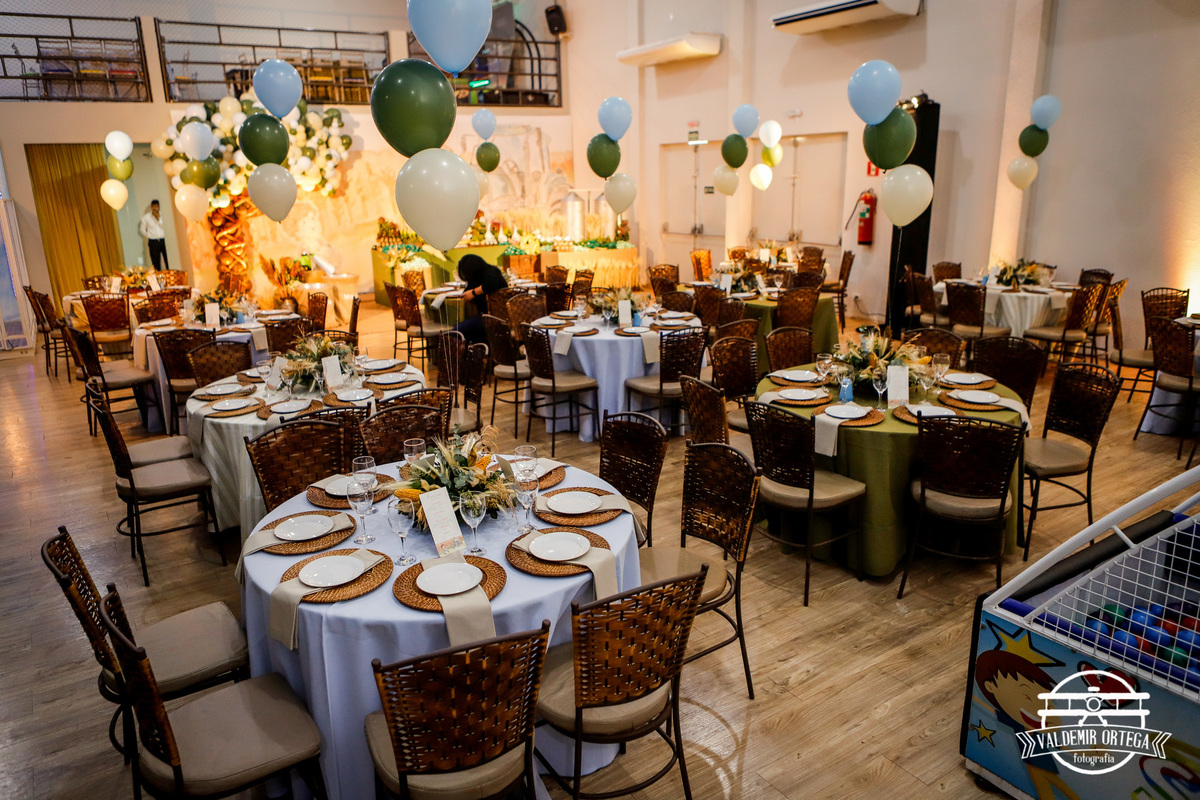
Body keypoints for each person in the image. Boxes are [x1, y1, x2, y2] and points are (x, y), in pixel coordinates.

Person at [453, 254, 507, 344]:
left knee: (457, 331)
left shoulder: (491, 272)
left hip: (495, 318)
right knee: (464, 331)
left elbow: (491, 284)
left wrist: (474, 292)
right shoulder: (476, 278)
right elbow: (468, 292)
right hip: (485, 317)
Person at [139, 200, 167, 269]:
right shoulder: (146, 217)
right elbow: (142, 230)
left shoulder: (163, 215)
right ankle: (157, 274)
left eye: (156, 206)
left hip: (163, 240)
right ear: (151, 207)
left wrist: (158, 218)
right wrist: (150, 235)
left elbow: (166, 226)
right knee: (155, 262)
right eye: (153, 206)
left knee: (168, 259)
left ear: (159, 207)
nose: (155, 208)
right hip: (153, 241)